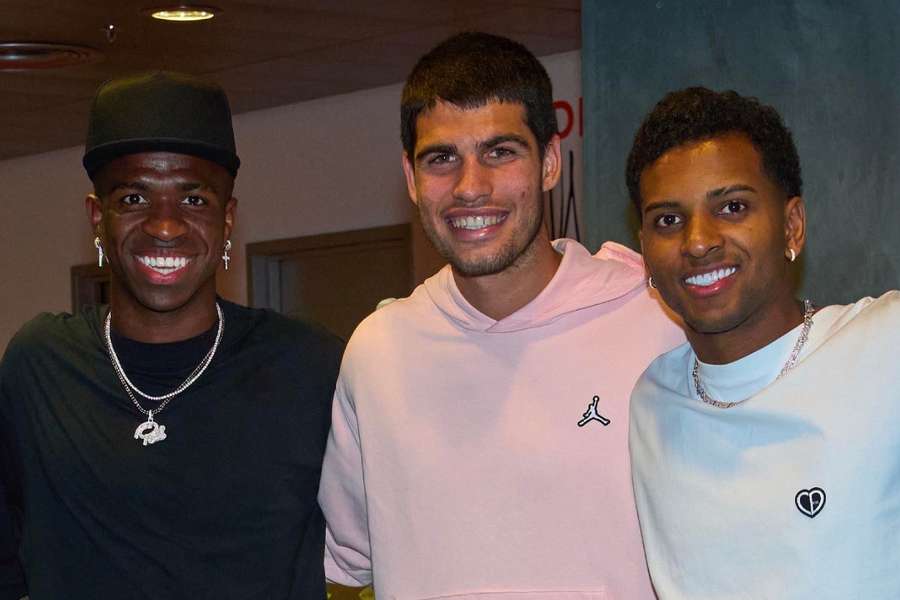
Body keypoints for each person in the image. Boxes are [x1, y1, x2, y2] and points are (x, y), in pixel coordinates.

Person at [318, 32, 683, 599]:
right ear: (412, 180)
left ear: (550, 162)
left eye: (500, 152)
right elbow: (347, 562)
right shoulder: (377, 353)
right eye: (442, 159)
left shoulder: (658, 322)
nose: (471, 187)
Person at [0, 71, 342, 599]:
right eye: (134, 198)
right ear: (97, 218)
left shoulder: (306, 366)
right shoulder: (40, 366)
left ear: (227, 219)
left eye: (194, 200)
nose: (165, 225)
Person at [626, 87, 900, 598]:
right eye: (668, 219)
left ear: (792, 225)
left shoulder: (884, 346)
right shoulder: (652, 402)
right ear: (644, 249)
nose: (698, 241)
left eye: (731, 207)